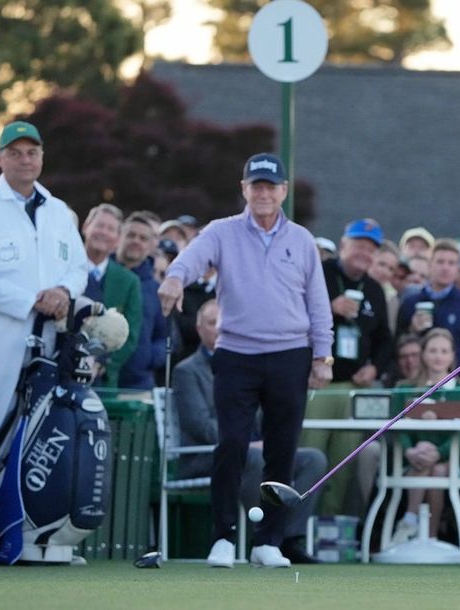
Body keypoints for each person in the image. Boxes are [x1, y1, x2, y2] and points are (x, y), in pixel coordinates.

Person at [158, 152, 333, 569]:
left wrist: (322, 355)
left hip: (291, 353)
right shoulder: (222, 232)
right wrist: (175, 277)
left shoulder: (302, 240)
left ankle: (268, 541)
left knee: (281, 451)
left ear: (284, 191)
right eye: (256, 186)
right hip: (236, 351)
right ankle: (222, 537)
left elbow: (318, 303)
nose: (264, 193)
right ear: (244, 190)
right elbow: (191, 258)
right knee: (232, 443)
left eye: (271, 186)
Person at [173, 300, 327, 563]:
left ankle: (285, 538)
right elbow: (200, 426)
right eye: (212, 324)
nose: (219, 330)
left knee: (312, 459)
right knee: (251, 457)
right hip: (204, 457)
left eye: (224, 324)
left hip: (253, 449)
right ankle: (256, 535)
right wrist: (248, 443)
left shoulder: (249, 367)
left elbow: (258, 418)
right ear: (199, 328)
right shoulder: (186, 371)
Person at [0, 120, 88, 473]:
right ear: (0, 159)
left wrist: (62, 291)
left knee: (33, 445)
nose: (25, 160)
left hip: (48, 349)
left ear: (42, 157)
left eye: (32, 153)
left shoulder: (59, 212)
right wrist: (31, 300)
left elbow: (79, 267)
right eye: (15, 154)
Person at [301, 218, 392, 517]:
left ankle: (329, 529)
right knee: (310, 455)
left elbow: (385, 342)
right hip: (317, 385)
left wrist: (374, 369)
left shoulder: (375, 290)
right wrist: (329, 307)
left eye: (370, 248)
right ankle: (299, 528)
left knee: (343, 464)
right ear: (343, 244)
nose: (363, 253)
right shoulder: (320, 275)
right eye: (358, 245)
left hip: (354, 388)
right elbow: (293, 318)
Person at [390, 328, 460, 544]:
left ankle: (423, 532)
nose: (438, 356)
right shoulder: (404, 388)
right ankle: (416, 527)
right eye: (433, 350)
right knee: (426, 463)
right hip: (413, 458)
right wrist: (410, 450)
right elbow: (395, 427)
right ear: (424, 354)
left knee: (436, 467)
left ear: (452, 356)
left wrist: (439, 452)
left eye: (444, 351)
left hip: (451, 459)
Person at [397, 239, 460, 385]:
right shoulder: (410, 303)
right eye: (440, 262)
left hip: (454, 385)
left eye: (451, 263)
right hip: (416, 386)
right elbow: (398, 344)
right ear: (429, 265)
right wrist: (412, 330)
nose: (445, 268)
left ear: (458, 268)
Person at [80, 203, 143, 388]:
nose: (104, 232)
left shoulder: (128, 281)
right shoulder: (64, 268)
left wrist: (101, 362)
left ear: (117, 239)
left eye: (111, 229)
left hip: (102, 379)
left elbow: (130, 334)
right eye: (99, 225)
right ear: (86, 227)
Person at [115, 213, 167, 390]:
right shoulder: (103, 275)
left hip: (138, 383)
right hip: (98, 376)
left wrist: (149, 358)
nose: (136, 241)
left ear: (152, 246)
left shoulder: (157, 290)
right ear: (119, 236)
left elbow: (165, 336)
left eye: (143, 238)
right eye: (131, 235)